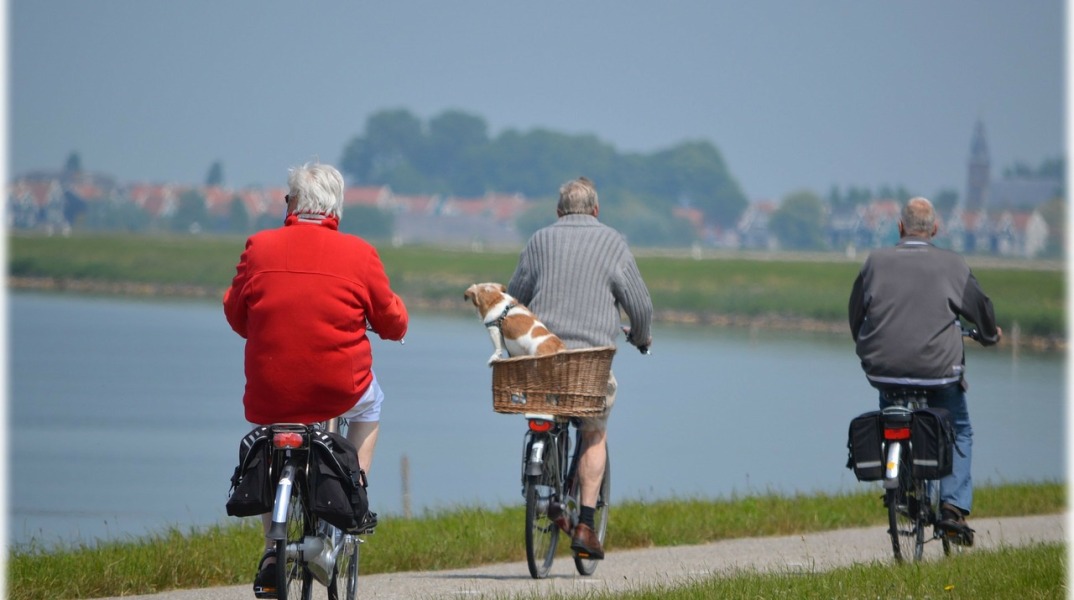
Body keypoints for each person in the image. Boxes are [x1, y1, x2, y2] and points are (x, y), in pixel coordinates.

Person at [223, 162, 408, 597]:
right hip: (338, 388)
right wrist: (394, 326)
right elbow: (392, 320)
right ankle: (354, 495)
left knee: (271, 436)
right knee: (372, 405)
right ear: (336, 210)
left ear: (292, 204)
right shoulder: (360, 254)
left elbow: (236, 314)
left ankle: (274, 549)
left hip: (271, 390)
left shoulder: (259, 246)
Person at [507, 176, 653, 559]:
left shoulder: (539, 240)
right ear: (596, 210)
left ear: (558, 212)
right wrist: (641, 336)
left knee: (547, 411)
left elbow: (513, 300)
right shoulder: (613, 243)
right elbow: (640, 307)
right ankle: (586, 524)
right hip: (590, 366)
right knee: (593, 433)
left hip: (543, 363)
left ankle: (544, 484)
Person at [848, 196, 1001, 543]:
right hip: (939, 371)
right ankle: (953, 508)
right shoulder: (953, 265)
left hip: (884, 369)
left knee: (893, 417)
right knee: (959, 430)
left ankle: (901, 487)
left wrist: (865, 345)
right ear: (935, 229)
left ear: (899, 228)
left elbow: (856, 312)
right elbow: (982, 309)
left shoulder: (874, 262)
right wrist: (990, 336)